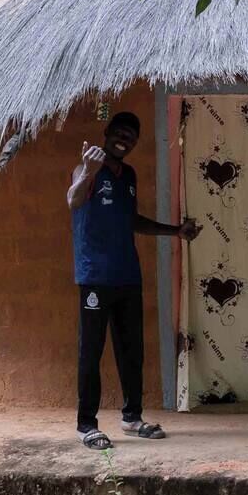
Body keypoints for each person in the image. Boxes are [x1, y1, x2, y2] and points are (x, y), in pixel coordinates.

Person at [67, 111, 196, 450]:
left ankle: (131, 418)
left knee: (131, 350)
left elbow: (132, 219)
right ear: (107, 133)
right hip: (95, 277)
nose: (124, 139)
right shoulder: (86, 167)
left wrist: (175, 232)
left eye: (131, 136)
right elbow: (73, 200)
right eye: (119, 132)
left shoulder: (129, 175)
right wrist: (89, 172)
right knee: (91, 351)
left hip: (127, 275)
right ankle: (86, 425)